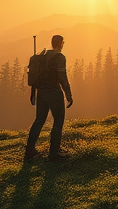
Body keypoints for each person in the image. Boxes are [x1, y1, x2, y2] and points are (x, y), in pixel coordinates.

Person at [25, 34, 74, 162]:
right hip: (54, 92)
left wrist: (33, 93)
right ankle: (53, 154)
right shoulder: (59, 57)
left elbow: (36, 76)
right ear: (60, 44)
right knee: (58, 122)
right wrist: (68, 95)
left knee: (39, 120)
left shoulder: (42, 56)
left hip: (41, 93)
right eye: (63, 43)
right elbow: (62, 77)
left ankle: (29, 150)